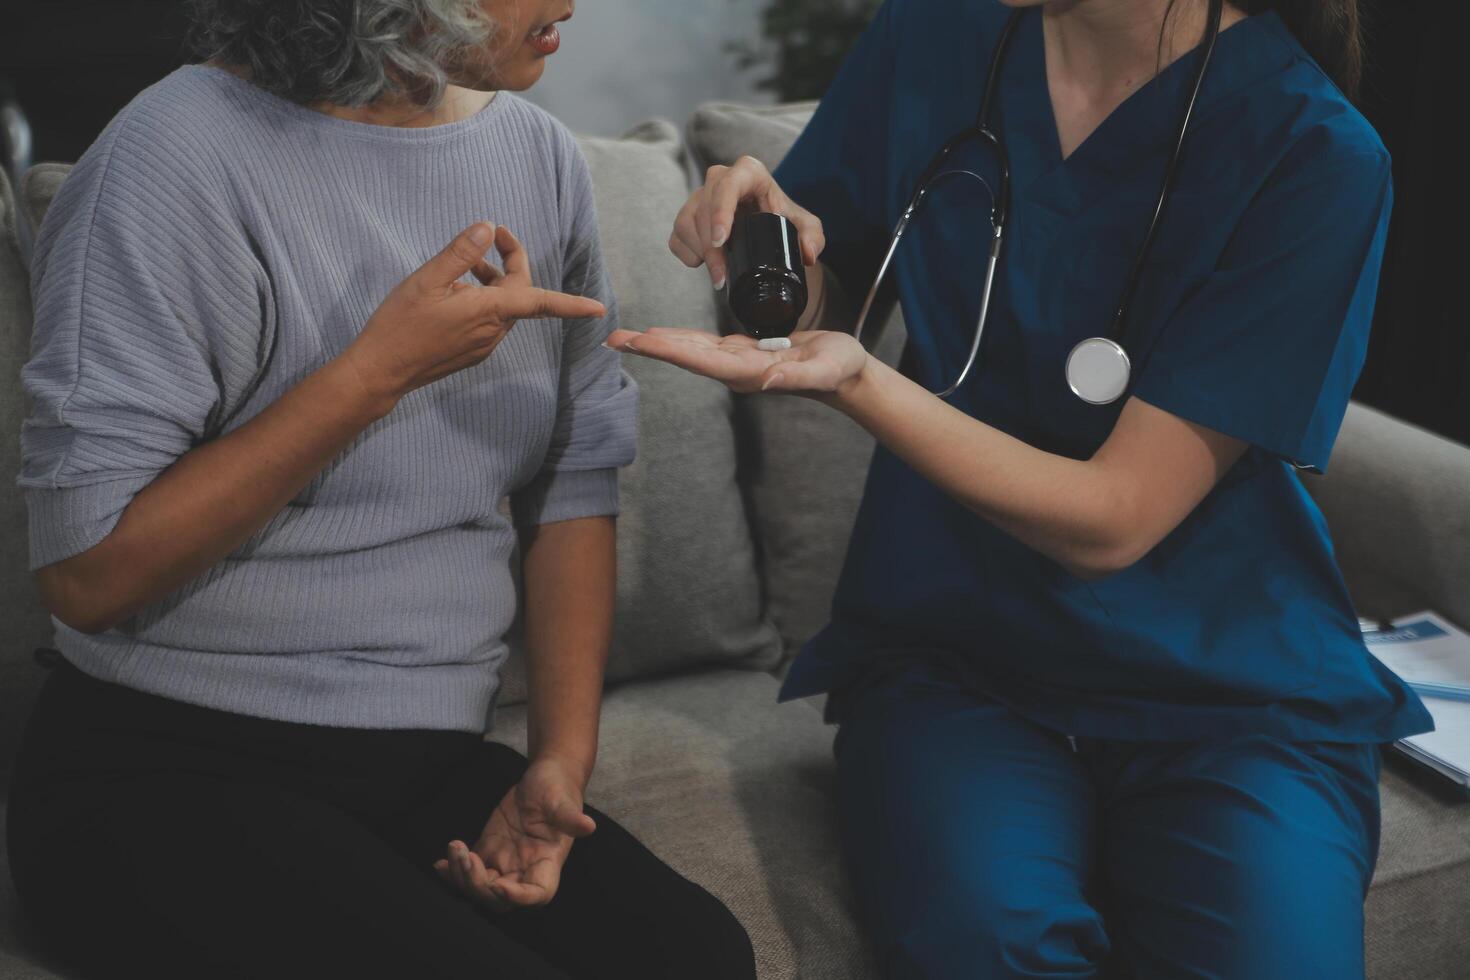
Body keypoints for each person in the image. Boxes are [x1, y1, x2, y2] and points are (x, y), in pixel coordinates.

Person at [606, 0, 1433, 976]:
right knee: (988, 943)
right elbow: (830, 298)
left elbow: (1117, 518)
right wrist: (766, 250)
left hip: (1226, 681)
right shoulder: (936, 34)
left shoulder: (1313, 151)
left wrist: (860, 385)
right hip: (958, 651)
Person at [5, 2, 756, 978]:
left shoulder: (536, 155)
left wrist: (558, 767)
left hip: (422, 756)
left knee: (701, 956)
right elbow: (85, 572)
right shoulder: (163, 158)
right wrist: (371, 375)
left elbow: (573, 478)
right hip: (164, 767)